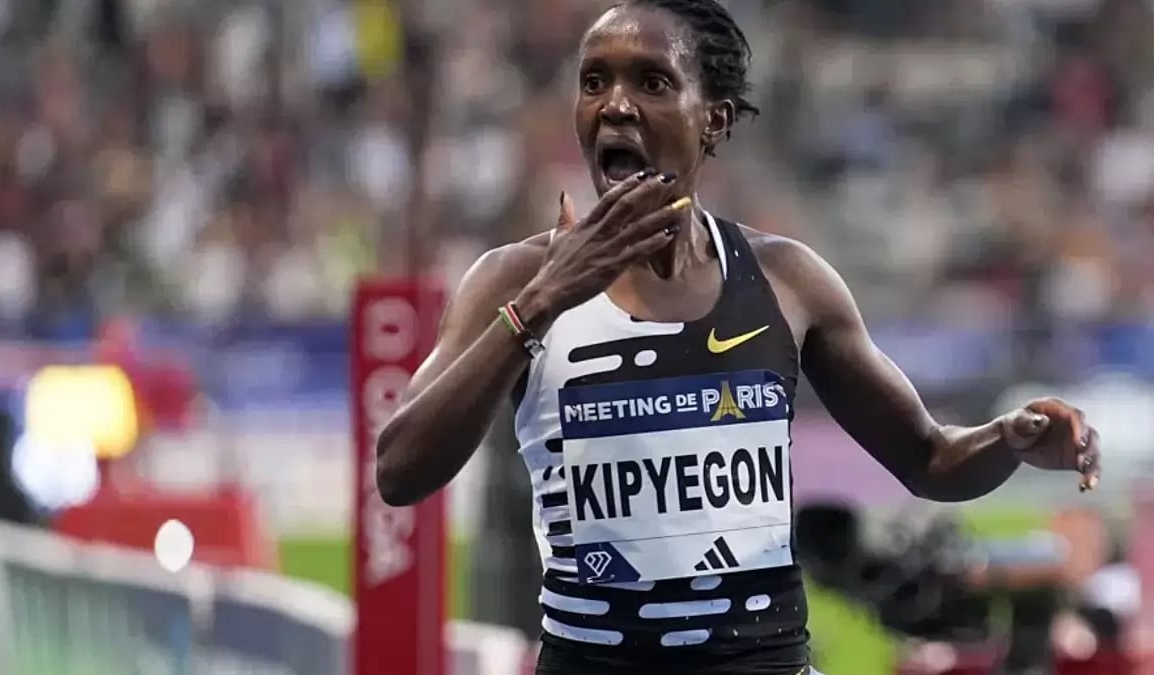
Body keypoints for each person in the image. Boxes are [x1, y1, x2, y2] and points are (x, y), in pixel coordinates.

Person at [375, 1, 1103, 673]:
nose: (615, 104)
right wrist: (541, 303)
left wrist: (1007, 439)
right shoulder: (512, 281)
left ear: (713, 120)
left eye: (652, 82)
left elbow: (928, 458)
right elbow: (399, 470)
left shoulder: (786, 280)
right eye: (594, 81)